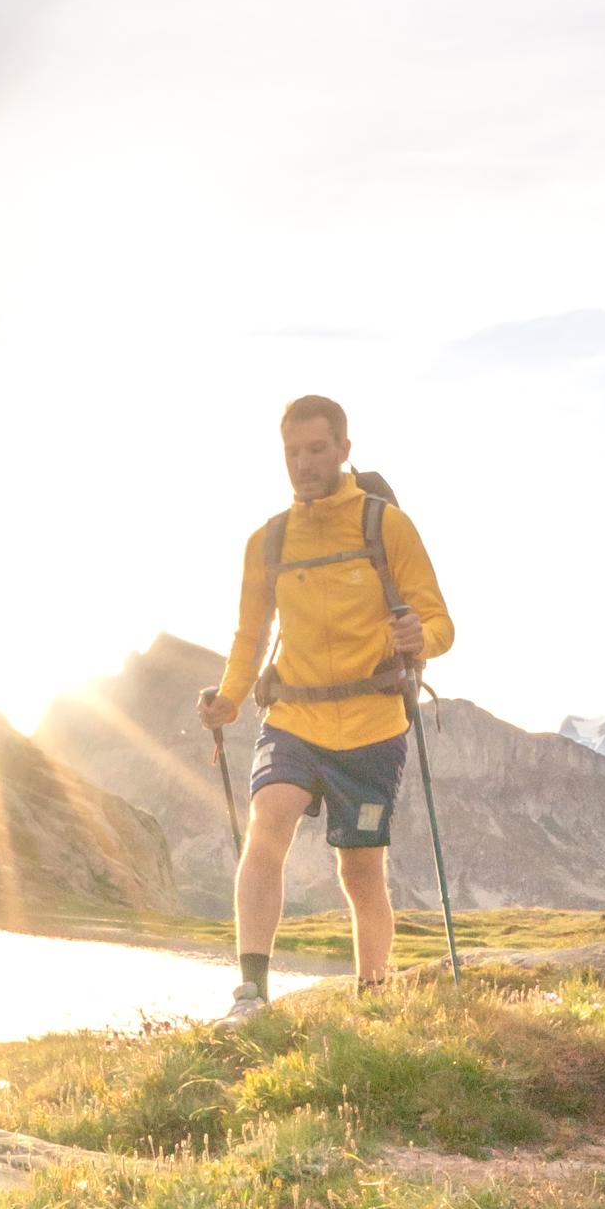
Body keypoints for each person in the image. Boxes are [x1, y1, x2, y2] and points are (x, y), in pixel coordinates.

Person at [197, 394, 454, 1020]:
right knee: (268, 825)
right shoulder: (268, 540)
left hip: (373, 726)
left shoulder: (386, 526)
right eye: (293, 452)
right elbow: (250, 636)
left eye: (317, 449)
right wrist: (230, 698)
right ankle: (252, 992)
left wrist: (420, 638)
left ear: (343, 449)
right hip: (293, 719)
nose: (304, 463)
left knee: (361, 871)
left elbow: (440, 623)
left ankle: (374, 996)